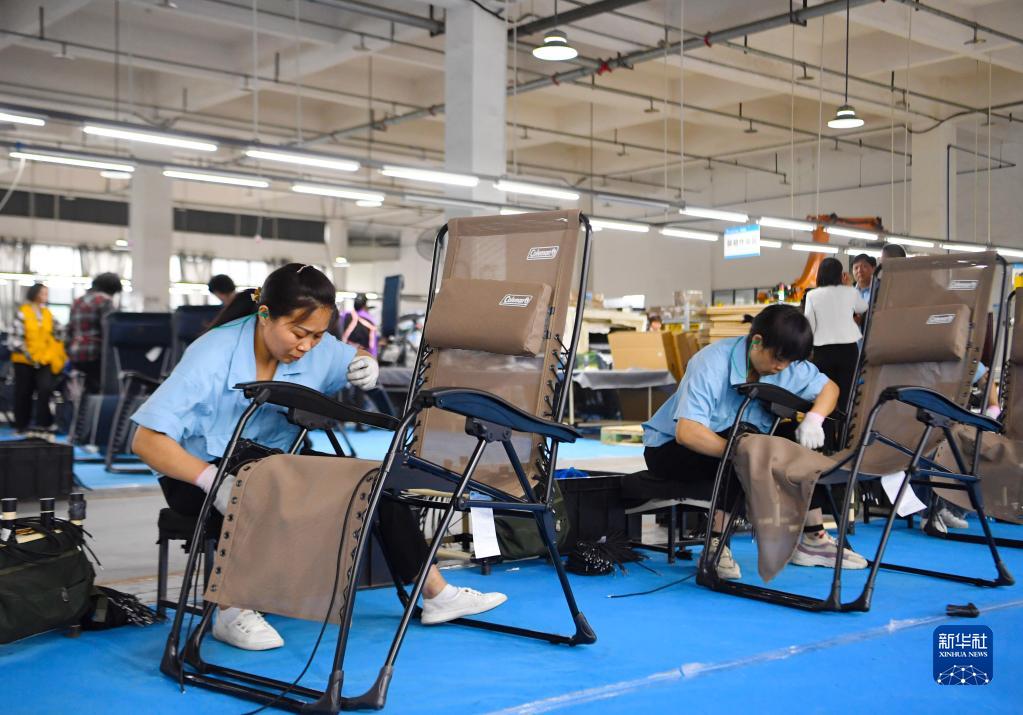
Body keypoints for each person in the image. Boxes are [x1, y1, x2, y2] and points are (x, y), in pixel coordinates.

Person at [131, 264, 505, 651]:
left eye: (318, 335)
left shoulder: (315, 347)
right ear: (265, 315)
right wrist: (214, 482)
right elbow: (146, 440)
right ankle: (231, 610)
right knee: (260, 488)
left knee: (375, 483)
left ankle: (437, 595)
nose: (307, 346)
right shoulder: (211, 355)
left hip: (275, 461)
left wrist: (365, 361)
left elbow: (348, 354)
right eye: (298, 333)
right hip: (197, 473)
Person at [641, 304, 867, 580]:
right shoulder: (711, 362)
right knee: (744, 448)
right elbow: (687, 432)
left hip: (739, 438)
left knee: (796, 443)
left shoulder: (786, 364)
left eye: (789, 362)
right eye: (778, 359)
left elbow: (829, 388)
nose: (782, 368)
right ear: (757, 342)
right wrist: (746, 453)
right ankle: (715, 545)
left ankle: (813, 539)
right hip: (670, 449)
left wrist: (814, 419)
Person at [803, 257, 869, 445]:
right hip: (848, 351)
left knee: (826, 396)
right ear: (842, 275)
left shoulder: (812, 295)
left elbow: (809, 325)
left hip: (823, 352)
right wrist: (848, 287)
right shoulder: (849, 292)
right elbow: (863, 308)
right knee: (848, 398)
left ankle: (828, 443)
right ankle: (846, 442)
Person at [10, 283, 65, 436]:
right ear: (35, 294)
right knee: (24, 392)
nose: (46, 296)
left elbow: (59, 332)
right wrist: (28, 354)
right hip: (24, 360)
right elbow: (15, 338)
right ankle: (22, 425)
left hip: (44, 360)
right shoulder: (23, 312)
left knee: (45, 388)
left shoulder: (48, 314)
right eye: (43, 293)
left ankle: (43, 424)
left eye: (47, 293)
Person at [67, 272, 122, 393]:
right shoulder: (105, 301)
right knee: (96, 390)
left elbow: (70, 330)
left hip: (76, 353)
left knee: (80, 390)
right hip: (95, 354)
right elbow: (109, 331)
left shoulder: (77, 301)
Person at [340, 293, 378, 357]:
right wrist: (373, 356)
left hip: (345, 351)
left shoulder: (345, 315)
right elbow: (372, 345)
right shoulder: (369, 320)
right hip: (361, 354)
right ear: (365, 305)